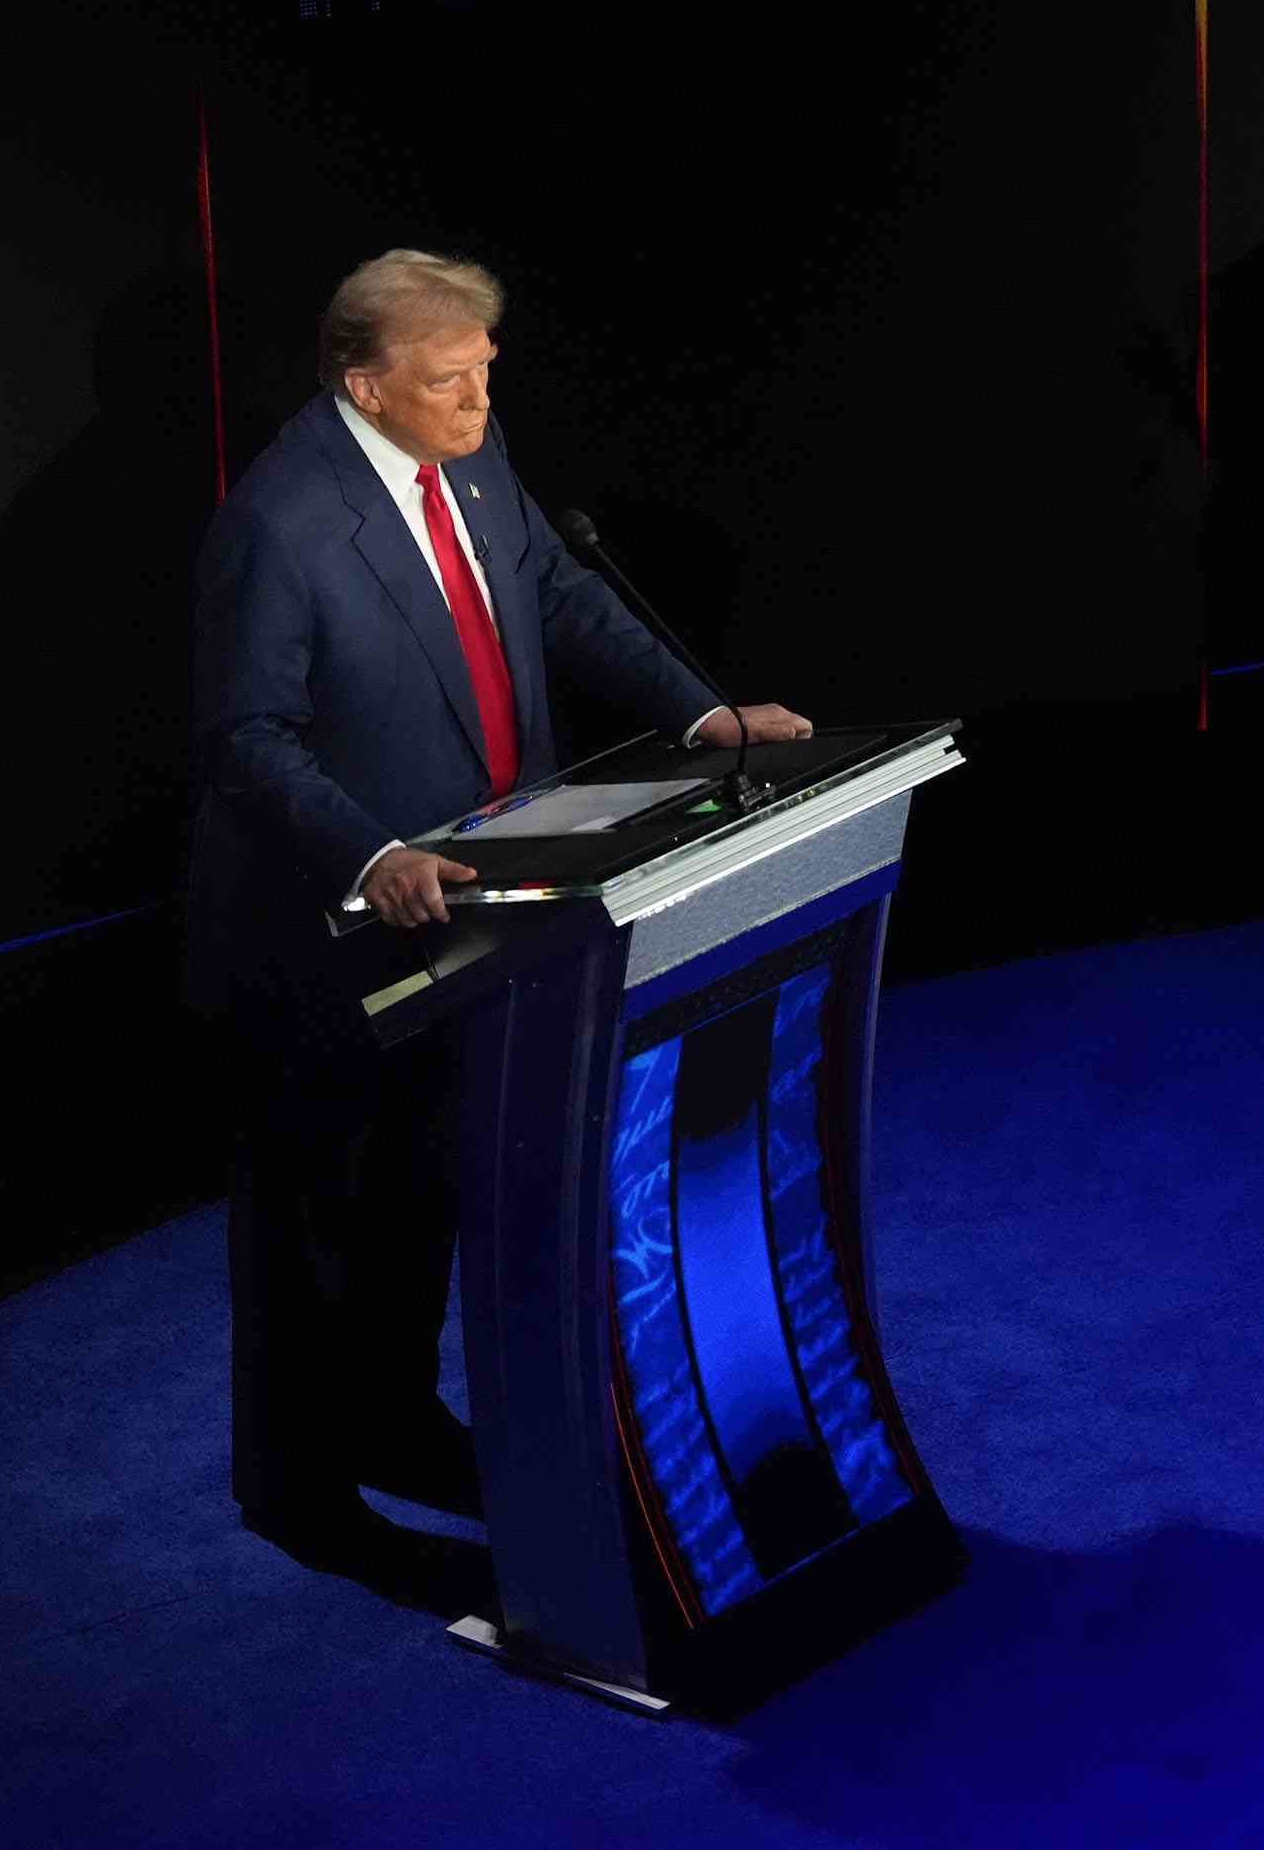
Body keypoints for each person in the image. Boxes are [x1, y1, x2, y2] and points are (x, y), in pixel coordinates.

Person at [190, 248, 811, 1578]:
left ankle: (396, 1418)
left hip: (484, 903)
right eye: (447, 379)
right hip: (328, 932)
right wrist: (373, 853)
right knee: (315, 1217)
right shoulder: (283, 521)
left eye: (485, 370)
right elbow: (248, 735)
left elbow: (560, 591)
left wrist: (703, 713)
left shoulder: (470, 453)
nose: (477, 400)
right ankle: (295, 1488)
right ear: (363, 381)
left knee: (424, 1185)